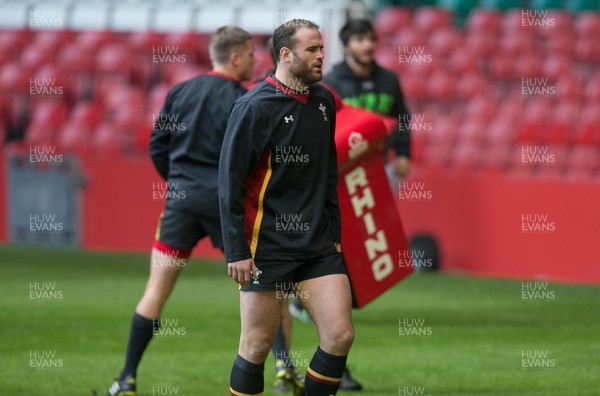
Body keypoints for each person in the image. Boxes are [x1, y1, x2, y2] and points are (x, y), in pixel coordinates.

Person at [107, 25, 256, 396]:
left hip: (182, 202)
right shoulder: (245, 100)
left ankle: (126, 378)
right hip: (226, 206)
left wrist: (178, 182)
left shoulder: (180, 91)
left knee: (155, 291)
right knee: (261, 285)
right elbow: (250, 160)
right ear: (235, 57)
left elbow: (157, 146)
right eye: (251, 53)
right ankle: (285, 367)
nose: (255, 60)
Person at [219, 19, 354, 396]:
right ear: (285, 54)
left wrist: (335, 236)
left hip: (318, 246)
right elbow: (228, 184)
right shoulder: (253, 107)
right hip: (268, 249)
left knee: (340, 335)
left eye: (322, 47)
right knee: (257, 346)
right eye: (312, 49)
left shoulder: (324, 101)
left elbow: (328, 175)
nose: (321, 55)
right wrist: (236, 251)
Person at [323, 18, 411, 181]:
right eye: (359, 40)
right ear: (346, 46)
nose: (368, 45)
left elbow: (402, 117)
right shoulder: (331, 83)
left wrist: (403, 154)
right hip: (344, 169)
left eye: (371, 39)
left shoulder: (389, 79)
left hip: (382, 165)